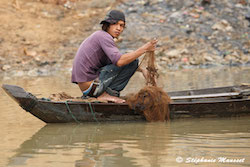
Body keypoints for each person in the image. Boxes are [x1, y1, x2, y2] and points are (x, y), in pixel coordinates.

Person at [71, 10, 157, 103]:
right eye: (115, 24)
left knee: (132, 62)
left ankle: (104, 94)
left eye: (122, 26)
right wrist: (144, 48)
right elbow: (120, 61)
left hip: (88, 88)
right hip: (92, 87)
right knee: (133, 62)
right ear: (107, 25)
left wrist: (143, 69)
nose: (119, 28)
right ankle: (104, 95)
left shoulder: (101, 37)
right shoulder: (103, 36)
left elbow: (117, 62)